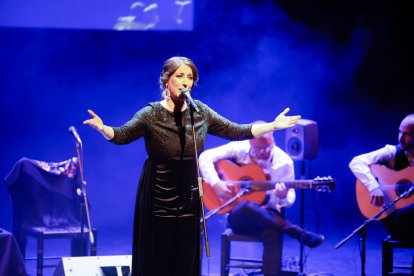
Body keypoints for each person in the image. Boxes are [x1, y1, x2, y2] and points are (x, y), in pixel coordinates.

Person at [83, 56, 301, 276]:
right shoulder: (151, 114)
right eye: (179, 76)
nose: (185, 81)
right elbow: (122, 135)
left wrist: (272, 125)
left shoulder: (200, 113)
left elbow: (235, 130)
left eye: (190, 77)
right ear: (166, 81)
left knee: (185, 254)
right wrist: (104, 128)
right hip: (159, 191)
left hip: (189, 192)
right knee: (158, 254)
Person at [199, 127, 325, 276]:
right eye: (259, 148)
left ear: (273, 141)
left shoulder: (284, 162)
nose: (265, 151)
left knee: (273, 233)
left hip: (269, 218)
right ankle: (297, 233)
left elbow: (289, 199)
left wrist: (283, 195)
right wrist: (216, 184)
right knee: (245, 205)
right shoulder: (239, 148)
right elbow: (205, 157)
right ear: (251, 143)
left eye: (268, 147)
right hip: (239, 217)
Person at [349, 114, 414, 243]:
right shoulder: (392, 152)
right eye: (400, 132)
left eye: (406, 134)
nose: (401, 137)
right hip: (395, 220)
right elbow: (356, 162)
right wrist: (374, 187)